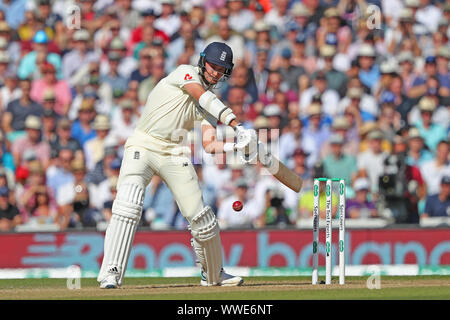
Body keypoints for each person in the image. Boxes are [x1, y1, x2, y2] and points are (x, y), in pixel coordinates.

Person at [97, 42, 258, 289]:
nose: (215, 72)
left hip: (175, 152)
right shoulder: (186, 73)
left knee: (202, 217)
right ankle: (111, 272)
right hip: (144, 144)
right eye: (213, 66)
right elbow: (203, 96)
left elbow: (210, 144)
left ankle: (214, 274)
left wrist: (236, 146)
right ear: (203, 61)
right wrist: (237, 125)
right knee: (128, 205)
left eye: (221, 69)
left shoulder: (207, 106)